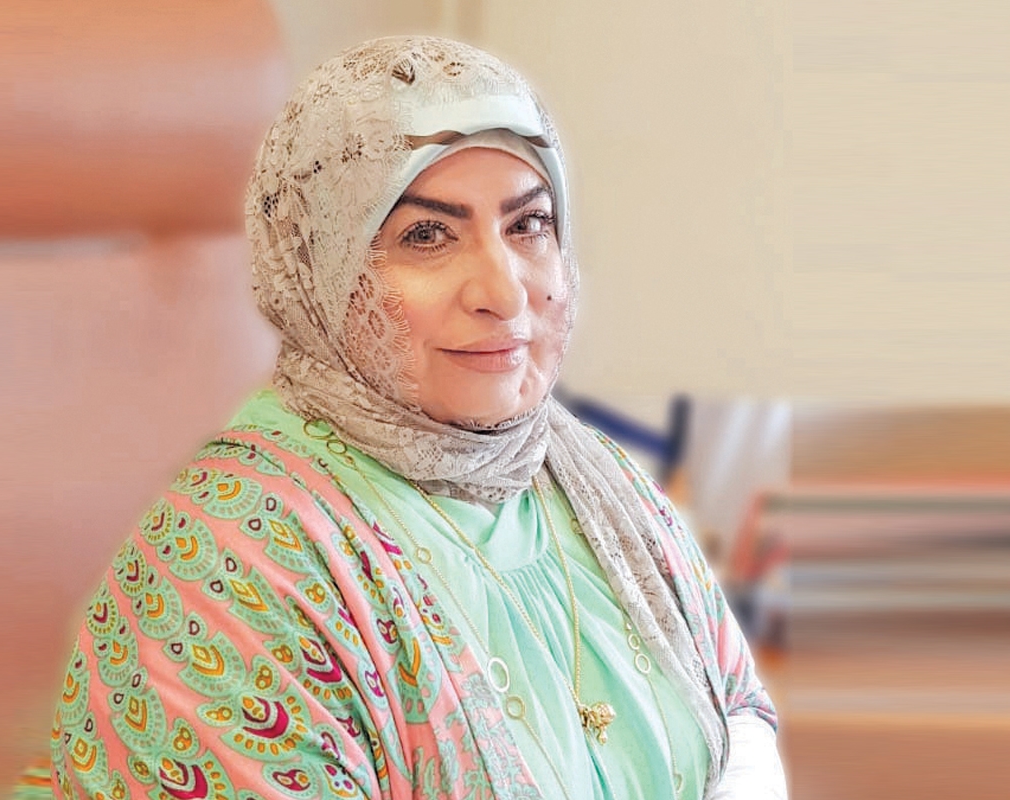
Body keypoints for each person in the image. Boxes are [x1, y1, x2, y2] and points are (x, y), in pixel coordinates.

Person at [48, 36, 786, 799]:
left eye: (528, 224)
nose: (503, 291)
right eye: (427, 236)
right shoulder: (223, 566)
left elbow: (736, 709)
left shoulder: (594, 479)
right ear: (320, 269)